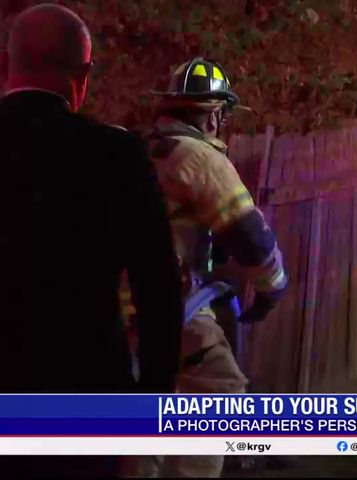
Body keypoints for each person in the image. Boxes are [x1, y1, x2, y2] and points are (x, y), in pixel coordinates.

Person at [0, 4, 183, 477]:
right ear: (82, 78)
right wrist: (150, 403)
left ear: (5, 65)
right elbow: (159, 288)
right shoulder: (115, 155)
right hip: (85, 402)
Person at [125, 57, 287, 478]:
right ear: (214, 115)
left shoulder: (134, 150)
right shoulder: (200, 158)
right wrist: (272, 290)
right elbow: (251, 238)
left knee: (149, 411)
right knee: (220, 392)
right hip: (174, 310)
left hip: (121, 311)